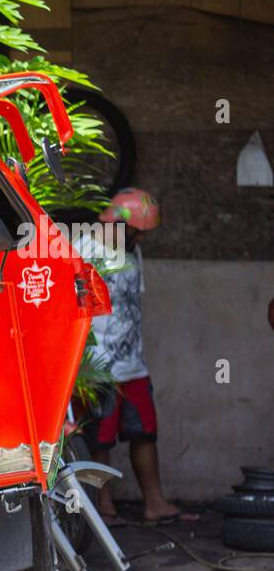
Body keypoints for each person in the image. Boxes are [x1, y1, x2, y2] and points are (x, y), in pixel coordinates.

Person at [75, 188, 197, 525]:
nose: (141, 237)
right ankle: (103, 507)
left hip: (133, 366)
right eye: (138, 230)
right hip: (98, 367)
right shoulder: (83, 251)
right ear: (120, 226)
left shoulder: (132, 253)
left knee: (145, 433)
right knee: (99, 438)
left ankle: (154, 503)